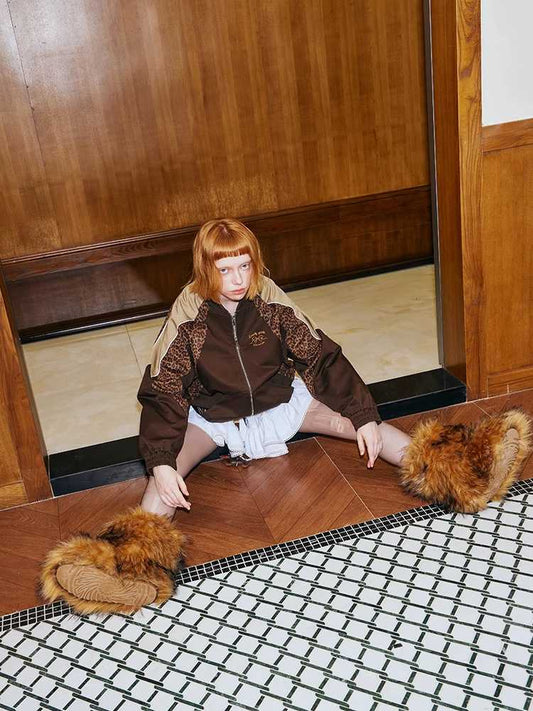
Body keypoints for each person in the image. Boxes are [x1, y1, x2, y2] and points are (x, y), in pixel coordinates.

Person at [137, 218, 412, 518]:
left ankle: (444, 476)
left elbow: (318, 355)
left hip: (280, 401)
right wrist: (161, 462)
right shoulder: (189, 314)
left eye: (245, 266)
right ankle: (134, 548)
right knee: (162, 485)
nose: (239, 280)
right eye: (224, 270)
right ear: (205, 268)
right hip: (213, 415)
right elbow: (164, 388)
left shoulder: (268, 298)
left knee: (370, 427)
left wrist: (362, 415)